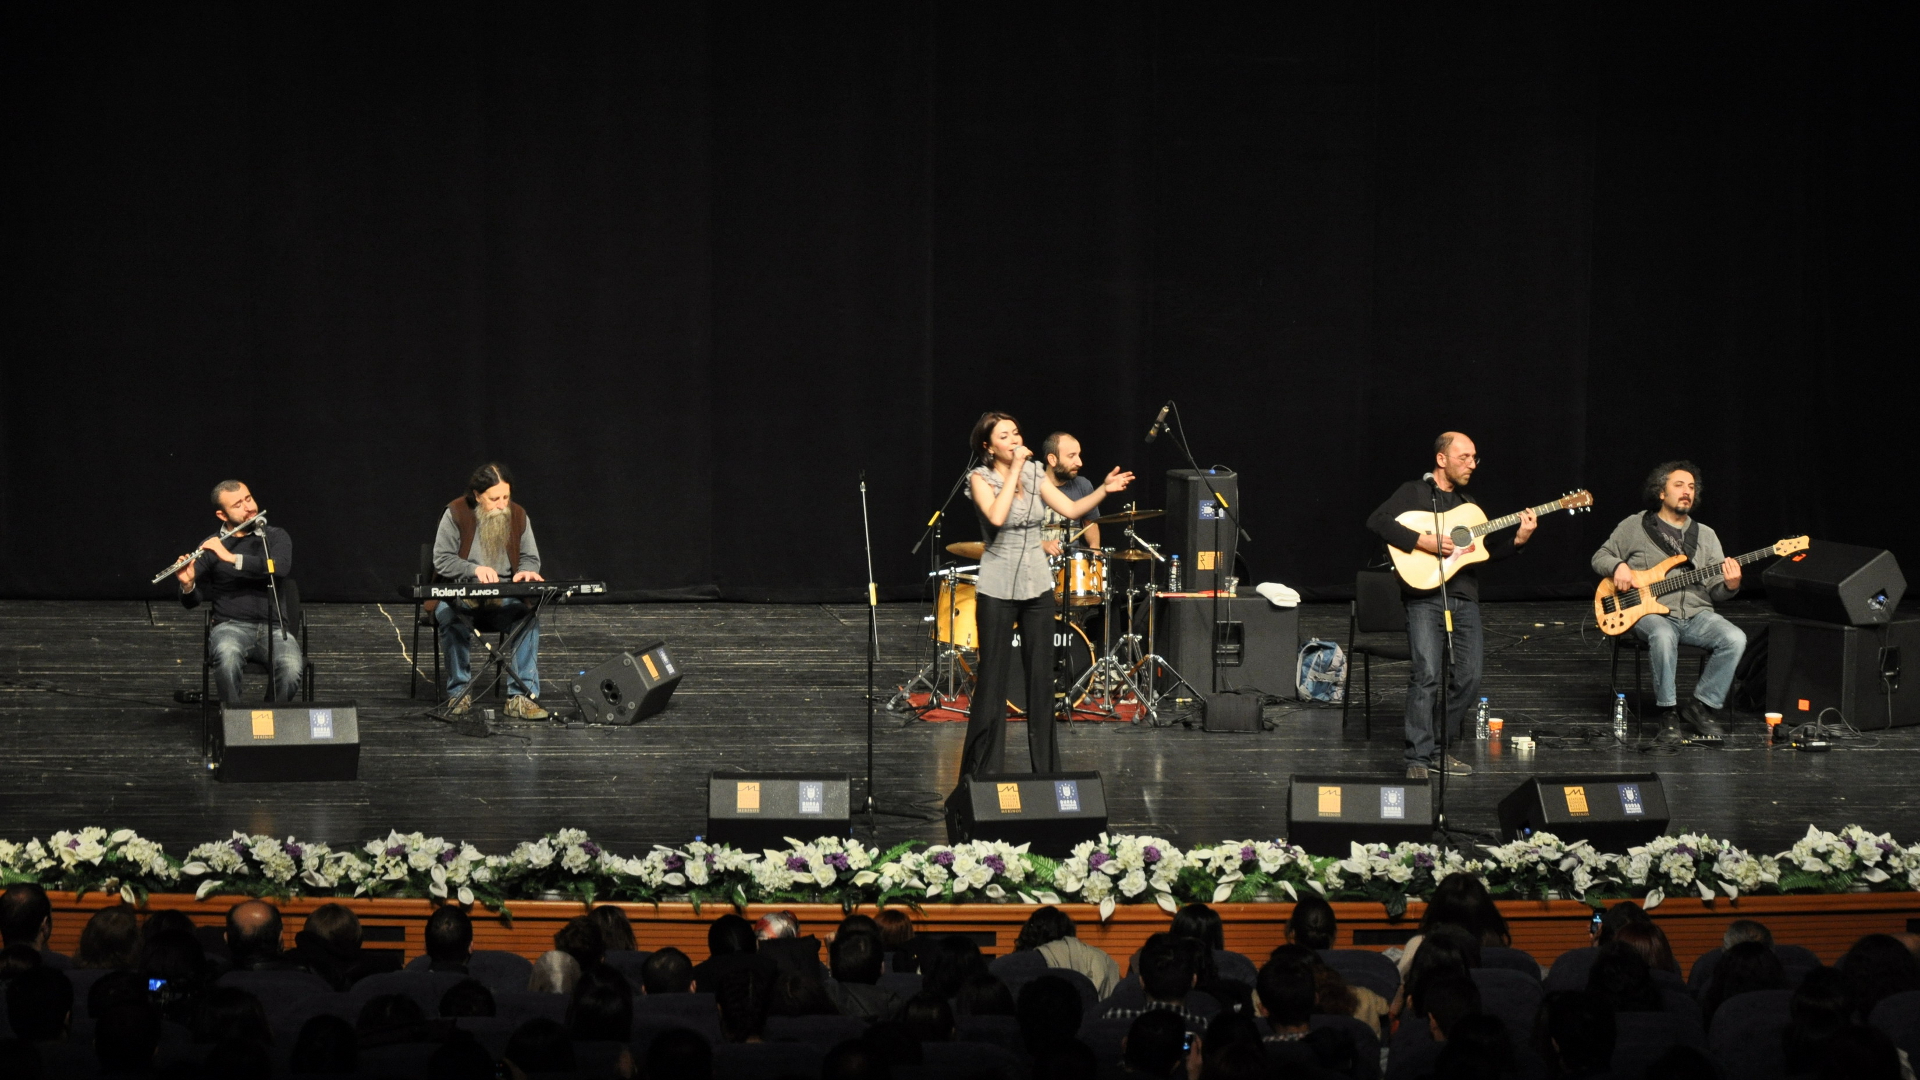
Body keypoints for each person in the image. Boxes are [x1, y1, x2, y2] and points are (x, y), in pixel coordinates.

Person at [959, 412, 1133, 781]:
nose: (1014, 439)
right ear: (988, 446)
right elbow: (996, 516)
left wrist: (1102, 490)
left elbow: (1069, 509)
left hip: (1037, 585)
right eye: (1004, 436)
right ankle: (982, 775)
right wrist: (1015, 470)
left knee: (1042, 681)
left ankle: (1048, 775)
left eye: (1016, 432)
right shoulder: (980, 478)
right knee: (993, 679)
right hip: (998, 585)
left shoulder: (1035, 473)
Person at [1367, 432, 1535, 778]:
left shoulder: (1469, 508)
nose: (1472, 464)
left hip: (1464, 598)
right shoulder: (1414, 492)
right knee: (1426, 674)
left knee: (1470, 677)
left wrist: (1518, 541)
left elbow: (1482, 557)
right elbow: (1377, 521)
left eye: (1475, 458)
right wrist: (1423, 540)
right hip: (1424, 597)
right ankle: (1418, 757)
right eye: (1464, 457)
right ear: (1442, 459)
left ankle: (1440, 749)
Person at [1591, 460, 1745, 744]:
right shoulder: (1634, 525)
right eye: (1679, 485)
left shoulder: (1706, 535)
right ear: (1661, 492)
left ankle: (1700, 706)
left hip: (1698, 614)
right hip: (1649, 614)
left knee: (1735, 637)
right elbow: (1600, 556)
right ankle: (1668, 713)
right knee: (1662, 635)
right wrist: (1618, 567)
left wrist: (1730, 585)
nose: (1687, 491)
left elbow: (1715, 592)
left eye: (1691, 487)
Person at [431, 462, 549, 719]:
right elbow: (442, 559)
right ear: (477, 495)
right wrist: (473, 570)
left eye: (506, 497)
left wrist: (526, 571)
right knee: (449, 616)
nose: (501, 504)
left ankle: (520, 697)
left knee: (527, 616)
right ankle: (459, 693)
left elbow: (531, 557)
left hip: (504, 597)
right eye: (494, 499)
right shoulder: (455, 513)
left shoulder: (518, 515)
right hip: (463, 596)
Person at [176, 480, 304, 703]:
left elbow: (279, 568)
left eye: (248, 499)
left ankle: (271, 717)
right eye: (237, 505)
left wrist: (232, 559)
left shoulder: (274, 537)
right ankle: (235, 721)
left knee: (292, 668)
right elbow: (191, 602)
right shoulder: (213, 544)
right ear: (222, 515)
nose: (249, 508)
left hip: (274, 628)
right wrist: (188, 585)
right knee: (226, 657)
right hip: (230, 627)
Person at [1040, 431, 1103, 555]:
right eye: (1071, 456)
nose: (1079, 462)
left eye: (1078, 455)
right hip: (1037, 565)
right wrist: (1042, 544)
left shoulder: (1083, 485)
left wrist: (1095, 548)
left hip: (1074, 565)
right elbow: (1015, 535)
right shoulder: (1029, 488)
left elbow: (1090, 523)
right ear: (1052, 459)